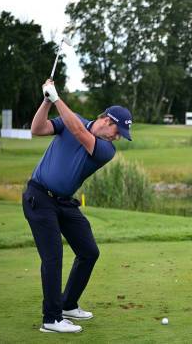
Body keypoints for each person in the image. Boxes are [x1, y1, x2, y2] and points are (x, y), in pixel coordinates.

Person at [22, 79, 132, 333]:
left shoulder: (106, 150)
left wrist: (58, 98)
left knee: (89, 251)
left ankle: (67, 304)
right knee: (53, 257)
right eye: (117, 132)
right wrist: (48, 101)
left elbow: (81, 133)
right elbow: (38, 129)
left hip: (64, 203)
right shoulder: (72, 120)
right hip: (39, 198)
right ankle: (51, 319)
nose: (117, 138)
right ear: (106, 120)